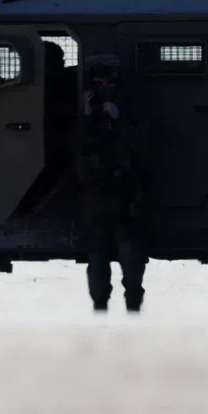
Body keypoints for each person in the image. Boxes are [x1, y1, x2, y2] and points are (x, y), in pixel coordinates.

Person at [77, 54, 146, 313]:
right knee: (102, 249)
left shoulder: (124, 113)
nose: (102, 89)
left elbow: (139, 146)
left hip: (118, 191)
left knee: (122, 247)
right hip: (102, 192)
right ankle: (104, 302)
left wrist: (117, 118)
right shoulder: (91, 117)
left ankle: (127, 300)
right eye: (99, 85)